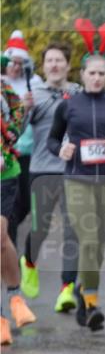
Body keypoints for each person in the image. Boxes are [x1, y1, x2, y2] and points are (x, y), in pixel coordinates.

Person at [46, 18, 105, 331]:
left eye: (102, 73)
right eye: (92, 73)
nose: (98, 78)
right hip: (77, 180)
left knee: (98, 244)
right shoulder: (69, 106)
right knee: (87, 240)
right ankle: (91, 303)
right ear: (83, 74)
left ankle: (81, 290)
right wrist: (59, 150)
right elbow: (51, 140)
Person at [21, 42, 81, 313]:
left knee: (73, 231)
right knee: (40, 228)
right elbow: (18, 129)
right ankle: (29, 263)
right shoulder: (34, 93)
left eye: (59, 61)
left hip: (74, 171)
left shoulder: (79, 93)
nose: (55, 65)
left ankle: (66, 289)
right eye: (50, 61)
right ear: (44, 67)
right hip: (42, 169)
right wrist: (25, 109)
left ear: (68, 65)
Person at [1, 73, 36, 344]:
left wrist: (8, 139)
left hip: (4, 173)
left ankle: (15, 297)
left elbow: (16, 119)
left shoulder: (4, 89)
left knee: (0, 239)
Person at [2, 31, 36, 245]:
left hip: (29, 152)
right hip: (6, 154)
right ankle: (9, 245)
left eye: (20, 63)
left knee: (25, 204)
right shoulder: (1, 85)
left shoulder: (34, 84)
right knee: (11, 206)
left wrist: (29, 108)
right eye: (12, 62)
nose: (16, 67)